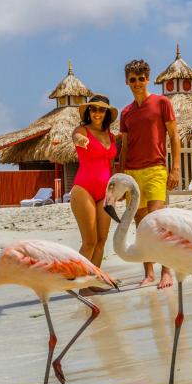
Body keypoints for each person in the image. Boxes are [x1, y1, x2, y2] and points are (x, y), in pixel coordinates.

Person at [118, 58, 181, 289]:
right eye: (133, 79)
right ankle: (149, 273)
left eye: (141, 79)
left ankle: (166, 271)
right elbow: (124, 147)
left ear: (148, 79)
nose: (137, 83)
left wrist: (175, 169)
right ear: (127, 81)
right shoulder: (125, 112)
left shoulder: (162, 103)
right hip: (132, 173)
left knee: (157, 221)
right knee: (141, 224)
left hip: (156, 168)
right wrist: (121, 178)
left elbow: (174, 136)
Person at [70, 94, 118, 275]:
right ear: (89, 111)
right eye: (94, 109)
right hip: (84, 189)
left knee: (101, 241)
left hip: (107, 192)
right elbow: (76, 137)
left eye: (101, 110)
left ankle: (93, 282)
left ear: (106, 113)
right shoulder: (82, 130)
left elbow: (111, 165)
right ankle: (76, 281)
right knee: (89, 242)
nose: (97, 113)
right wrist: (81, 140)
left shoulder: (111, 136)